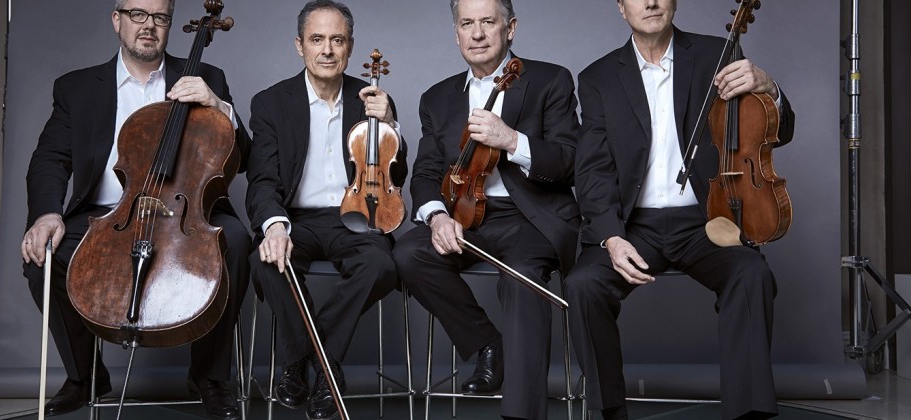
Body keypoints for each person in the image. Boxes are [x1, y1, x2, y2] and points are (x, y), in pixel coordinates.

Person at [565, 1, 796, 419]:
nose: (651, 2)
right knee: (583, 285)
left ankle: (748, 413)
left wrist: (769, 87)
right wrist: (612, 238)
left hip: (708, 219)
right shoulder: (598, 78)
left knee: (751, 274)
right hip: (633, 226)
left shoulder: (716, 55)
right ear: (621, 8)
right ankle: (608, 412)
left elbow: (777, 128)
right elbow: (593, 171)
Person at [20, 0, 251, 418]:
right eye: (138, 14)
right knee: (44, 258)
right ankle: (85, 377)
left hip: (184, 210)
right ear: (117, 20)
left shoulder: (206, 76)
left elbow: (245, 156)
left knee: (234, 241)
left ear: (170, 24)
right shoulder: (77, 87)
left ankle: (210, 378)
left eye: (160, 17)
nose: (149, 25)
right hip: (108, 215)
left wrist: (219, 107)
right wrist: (46, 214)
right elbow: (50, 158)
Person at [391, 0, 581, 418]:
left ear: (510, 29)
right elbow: (425, 172)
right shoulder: (437, 97)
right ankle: (487, 345)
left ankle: (522, 412)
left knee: (523, 280)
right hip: (464, 216)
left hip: (530, 218)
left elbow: (571, 161)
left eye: (488, 22)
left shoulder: (550, 80)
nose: (476, 33)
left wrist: (512, 140)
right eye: (467, 23)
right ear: (456, 33)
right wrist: (436, 216)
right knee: (409, 253)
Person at [245, 1, 406, 419]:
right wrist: (274, 227)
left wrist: (390, 124)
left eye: (337, 40)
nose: (328, 50)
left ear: (350, 46)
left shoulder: (371, 99)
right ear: (300, 45)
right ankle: (321, 365)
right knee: (266, 262)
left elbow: (396, 175)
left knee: (381, 266)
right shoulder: (270, 103)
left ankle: (309, 362)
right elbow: (262, 181)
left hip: (355, 217)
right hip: (294, 220)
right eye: (317, 39)